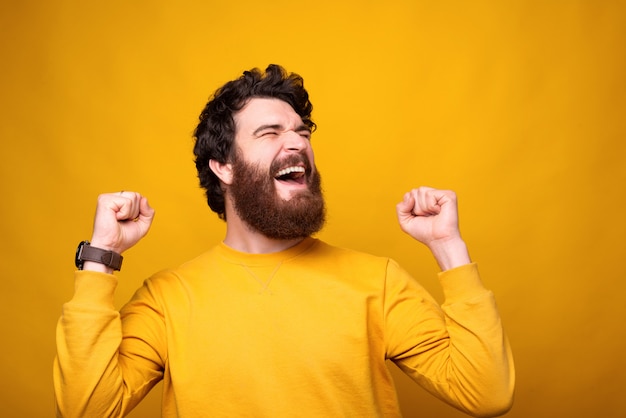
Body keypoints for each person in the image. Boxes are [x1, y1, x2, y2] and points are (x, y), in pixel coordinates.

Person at [54, 64, 515, 417]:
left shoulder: (378, 282)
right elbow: (87, 407)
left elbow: (486, 393)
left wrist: (448, 247)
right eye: (270, 132)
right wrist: (102, 258)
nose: (296, 144)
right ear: (224, 166)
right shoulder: (167, 298)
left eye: (301, 131)